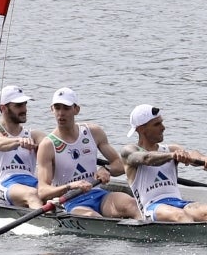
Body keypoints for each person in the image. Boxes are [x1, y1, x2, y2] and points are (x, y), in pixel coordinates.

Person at [35, 87, 140, 219]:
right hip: (70, 202)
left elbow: (120, 164)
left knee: (132, 204)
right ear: (52, 110)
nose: (61, 113)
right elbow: (43, 192)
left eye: (66, 108)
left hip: (98, 194)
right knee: (94, 218)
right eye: (57, 108)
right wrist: (70, 186)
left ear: (76, 110)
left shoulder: (93, 132)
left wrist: (106, 169)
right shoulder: (47, 145)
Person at [120, 104, 207, 222]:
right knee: (181, 216)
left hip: (178, 203)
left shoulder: (171, 149)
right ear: (141, 129)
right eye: (157, 124)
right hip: (152, 207)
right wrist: (172, 156)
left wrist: (204, 159)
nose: (163, 128)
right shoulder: (128, 151)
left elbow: (192, 154)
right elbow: (147, 158)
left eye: (161, 122)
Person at [0, 85, 44, 210]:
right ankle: (47, 225)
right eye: (18, 106)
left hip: (31, 182)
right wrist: (19, 141)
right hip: (5, 186)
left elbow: (54, 146)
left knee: (52, 191)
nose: (24, 109)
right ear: (3, 108)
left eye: (25, 104)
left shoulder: (34, 135)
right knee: (32, 194)